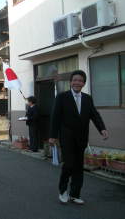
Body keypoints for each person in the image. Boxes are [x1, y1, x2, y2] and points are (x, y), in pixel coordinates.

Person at [49, 70, 108, 205]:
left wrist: (102, 128)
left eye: (80, 80)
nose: (77, 82)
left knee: (78, 167)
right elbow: (55, 117)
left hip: (81, 138)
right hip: (66, 137)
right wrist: (52, 136)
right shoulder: (62, 97)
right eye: (75, 80)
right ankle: (63, 191)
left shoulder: (87, 98)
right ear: (70, 82)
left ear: (83, 83)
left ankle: (75, 194)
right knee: (69, 164)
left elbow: (94, 115)